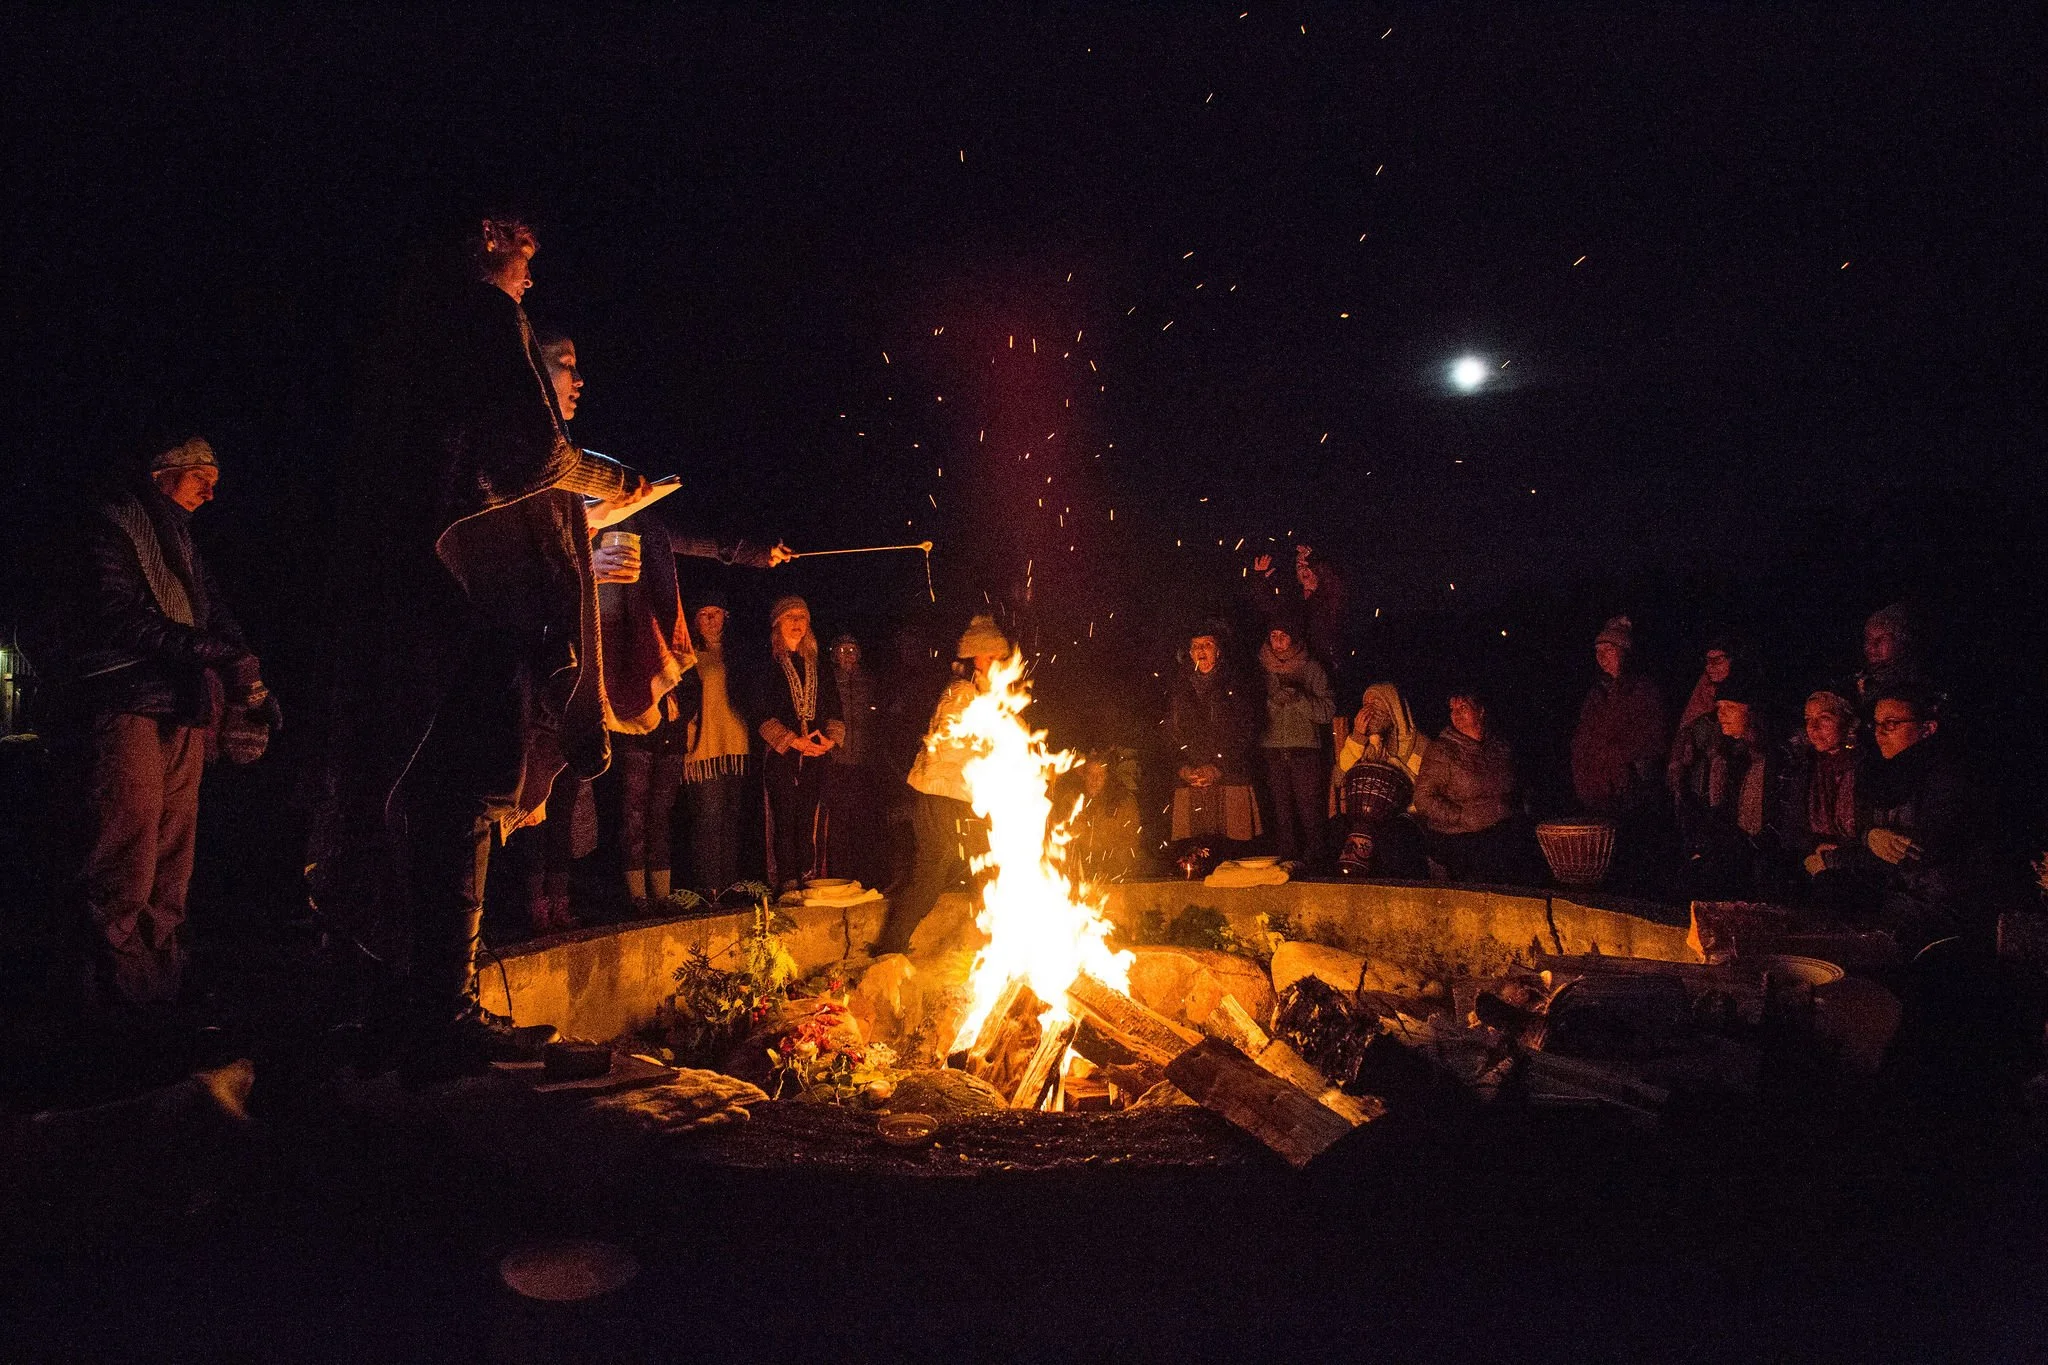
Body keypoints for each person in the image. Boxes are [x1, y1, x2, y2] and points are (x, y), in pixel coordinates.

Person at [319, 216, 658, 1075]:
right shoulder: (479, 315)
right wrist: (607, 478)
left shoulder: (408, 332)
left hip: (408, 589)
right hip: (463, 595)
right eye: (525, 257)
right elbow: (536, 455)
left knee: (414, 791)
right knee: (464, 790)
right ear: (490, 243)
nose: (531, 279)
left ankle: (404, 1004)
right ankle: (442, 1010)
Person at [69, 436, 273, 1009]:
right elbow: (117, 615)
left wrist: (248, 672)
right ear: (162, 474)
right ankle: (116, 1000)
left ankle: (162, 987)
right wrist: (215, 655)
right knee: (126, 853)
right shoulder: (110, 526)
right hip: (126, 698)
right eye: (199, 476)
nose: (211, 491)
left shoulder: (180, 543)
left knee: (172, 856)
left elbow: (213, 615)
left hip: (181, 704)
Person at [1808, 687, 1985, 955]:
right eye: (1877, 724)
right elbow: (1867, 832)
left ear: (1927, 729)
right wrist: (1867, 837)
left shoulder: (1947, 780)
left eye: (1891, 724)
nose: (1880, 733)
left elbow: (1913, 852)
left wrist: (1835, 861)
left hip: (1934, 911)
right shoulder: (1882, 775)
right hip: (1896, 897)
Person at [872, 615, 1007, 956]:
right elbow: (948, 740)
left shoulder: (975, 694)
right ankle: (891, 947)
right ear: (973, 659)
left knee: (985, 866)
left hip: (955, 796)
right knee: (936, 872)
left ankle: (998, 942)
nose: (995, 665)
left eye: (997, 659)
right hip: (940, 796)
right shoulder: (961, 694)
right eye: (989, 658)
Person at [756, 596, 843, 896]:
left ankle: (809, 874)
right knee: (784, 815)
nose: (796, 623)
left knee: (809, 815)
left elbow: (833, 704)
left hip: (816, 754)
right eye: (789, 617)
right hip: (783, 754)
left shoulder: (817, 665)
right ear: (777, 623)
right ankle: (786, 878)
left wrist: (829, 739)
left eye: (801, 617)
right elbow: (760, 709)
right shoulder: (767, 664)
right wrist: (793, 741)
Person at [1667, 670, 1774, 898]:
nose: (1722, 715)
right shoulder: (1734, 759)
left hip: (1765, 855)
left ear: (1752, 712)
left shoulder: (1776, 761)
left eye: (1731, 708)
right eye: (1719, 708)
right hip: (1740, 850)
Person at [1411, 687, 1527, 883]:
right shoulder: (1442, 750)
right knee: (1486, 863)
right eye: (1452, 709)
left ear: (1481, 711)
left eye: (1463, 707)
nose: (1456, 714)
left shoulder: (1499, 747)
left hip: (1500, 829)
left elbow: (1514, 787)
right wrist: (1461, 816)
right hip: (1458, 835)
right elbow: (1423, 798)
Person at [1165, 624, 1262, 857]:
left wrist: (1218, 767)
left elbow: (1248, 730)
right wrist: (1182, 767)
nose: (1201, 650)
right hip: (1193, 779)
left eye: (1207, 645)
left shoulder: (1237, 684)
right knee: (1196, 851)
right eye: (1196, 646)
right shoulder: (1179, 687)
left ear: (1218, 651)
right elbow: (1169, 731)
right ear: (1189, 653)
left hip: (1230, 777)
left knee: (1234, 853)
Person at [1775, 689, 1870, 916]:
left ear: (1848, 722)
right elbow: (1791, 827)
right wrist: (1812, 849)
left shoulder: (1866, 768)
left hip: (1856, 869)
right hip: (1812, 859)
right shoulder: (1805, 768)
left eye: (1824, 719)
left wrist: (1835, 859)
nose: (1813, 728)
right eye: (1809, 720)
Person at [680, 592, 751, 896]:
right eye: (703, 614)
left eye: (716, 613)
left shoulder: (737, 653)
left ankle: (730, 886)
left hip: (735, 744)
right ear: (694, 620)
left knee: (731, 817)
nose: (710, 620)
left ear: (726, 615)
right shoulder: (687, 654)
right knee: (708, 817)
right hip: (703, 746)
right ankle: (708, 888)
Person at [1259, 615, 1335, 868]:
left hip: (1305, 751)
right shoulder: (1262, 668)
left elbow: (1327, 711)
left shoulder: (1311, 668)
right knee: (1281, 815)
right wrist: (1273, 702)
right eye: (1273, 636)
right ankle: (1286, 864)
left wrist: (1299, 699)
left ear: (1294, 639)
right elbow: (1251, 708)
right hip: (1272, 751)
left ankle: (1317, 865)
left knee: (1311, 813)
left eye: (1283, 636)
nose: (1278, 642)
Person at [1332, 682, 1429, 877]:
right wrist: (1358, 737)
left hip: (1402, 816)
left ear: (1393, 707)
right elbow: (1339, 777)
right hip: (1363, 816)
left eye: (1376, 704)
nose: (1369, 710)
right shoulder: (1364, 742)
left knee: (1393, 837)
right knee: (1335, 828)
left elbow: (1423, 791)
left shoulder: (1419, 744)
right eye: (1366, 704)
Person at [824, 633, 889, 890]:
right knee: (838, 823)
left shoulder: (870, 683)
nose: (848, 654)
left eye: (852, 649)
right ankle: (840, 877)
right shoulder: (829, 683)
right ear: (833, 654)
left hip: (865, 763)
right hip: (837, 763)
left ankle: (866, 878)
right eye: (842, 649)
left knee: (865, 822)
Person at [1673, 635, 1739, 738]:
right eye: (1708, 662)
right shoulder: (1706, 685)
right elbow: (1689, 721)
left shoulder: (1744, 689)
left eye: (1717, 661)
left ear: (1732, 660)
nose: (1709, 667)